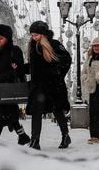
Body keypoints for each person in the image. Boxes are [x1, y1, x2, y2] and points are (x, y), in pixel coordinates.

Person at [25, 21, 72, 150]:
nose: (33, 37)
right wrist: (19, 68)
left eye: (36, 35)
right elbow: (34, 68)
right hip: (38, 86)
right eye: (32, 35)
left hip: (53, 85)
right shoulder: (33, 47)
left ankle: (65, 136)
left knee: (57, 111)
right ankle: (35, 140)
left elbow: (67, 59)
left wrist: (57, 74)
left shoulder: (54, 44)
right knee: (36, 111)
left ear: (43, 34)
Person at [0, 24, 31, 145]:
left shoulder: (15, 50)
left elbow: (18, 70)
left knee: (1, 114)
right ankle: (22, 136)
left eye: (1, 38)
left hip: (9, 88)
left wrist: (4, 76)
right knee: (8, 114)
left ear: (7, 37)